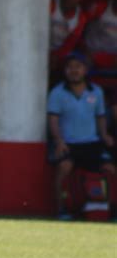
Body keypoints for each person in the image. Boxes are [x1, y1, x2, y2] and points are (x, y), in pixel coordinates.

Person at [47, 52, 115, 219]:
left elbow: (100, 117)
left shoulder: (96, 92)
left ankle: (111, 210)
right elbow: (53, 120)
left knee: (110, 169)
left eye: (78, 67)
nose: (74, 71)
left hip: (92, 143)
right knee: (64, 168)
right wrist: (59, 141)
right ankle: (61, 210)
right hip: (69, 143)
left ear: (85, 70)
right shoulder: (57, 93)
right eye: (70, 67)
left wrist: (104, 135)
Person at [49, 0, 88, 83]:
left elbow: (69, 44)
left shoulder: (80, 18)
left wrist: (56, 57)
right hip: (39, 49)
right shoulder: (50, 4)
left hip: (59, 55)